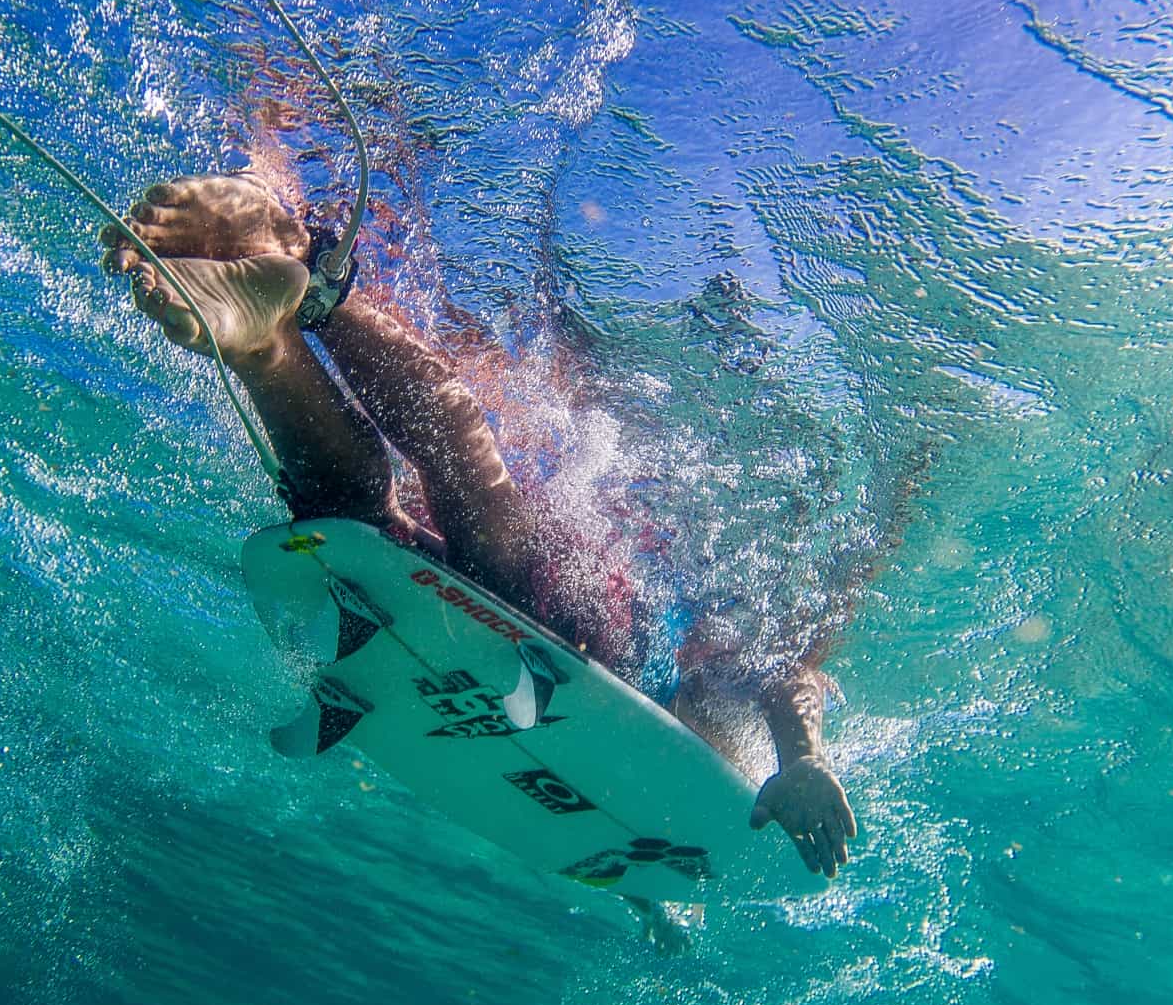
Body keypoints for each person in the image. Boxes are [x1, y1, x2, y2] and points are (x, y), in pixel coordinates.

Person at [99, 172, 858, 885]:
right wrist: (800, 759)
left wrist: (645, 902)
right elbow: (782, 673)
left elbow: (611, 808)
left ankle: (271, 337)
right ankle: (302, 289)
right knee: (474, 504)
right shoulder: (716, 690)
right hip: (597, 628)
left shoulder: (686, 777)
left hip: (557, 640)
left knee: (359, 521)